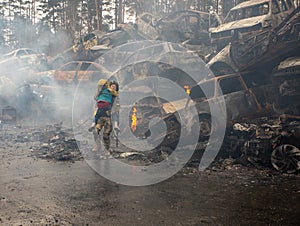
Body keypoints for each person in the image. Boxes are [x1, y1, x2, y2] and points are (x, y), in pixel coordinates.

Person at [92, 79, 119, 158]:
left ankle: (107, 150)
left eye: (115, 87)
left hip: (108, 117)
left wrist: (116, 123)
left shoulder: (115, 97)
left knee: (106, 134)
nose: (113, 88)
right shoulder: (103, 93)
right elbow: (95, 97)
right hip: (100, 115)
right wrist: (99, 88)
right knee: (95, 131)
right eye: (112, 86)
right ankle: (98, 145)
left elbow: (116, 109)